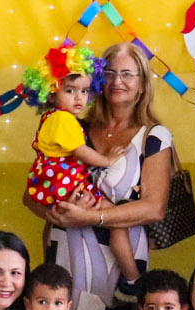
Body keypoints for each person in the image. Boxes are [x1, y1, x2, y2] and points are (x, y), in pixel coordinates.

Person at [24, 41, 177, 310]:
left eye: (128, 73)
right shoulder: (70, 124)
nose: (117, 82)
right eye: (109, 73)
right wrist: (56, 211)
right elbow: (31, 193)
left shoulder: (154, 137)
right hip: (67, 260)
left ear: (142, 82)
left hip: (122, 266)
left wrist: (92, 216)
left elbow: (154, 207)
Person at [22, 43, 140, 292]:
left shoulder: (56, 118)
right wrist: (108, 160)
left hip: (55, 184)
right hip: (65, 184)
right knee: (117, 219)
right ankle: (132, 280)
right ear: (50, 93)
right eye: (70, 90)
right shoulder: (63, 119)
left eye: (85, 91)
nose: (79, 98)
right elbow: (82, 152)